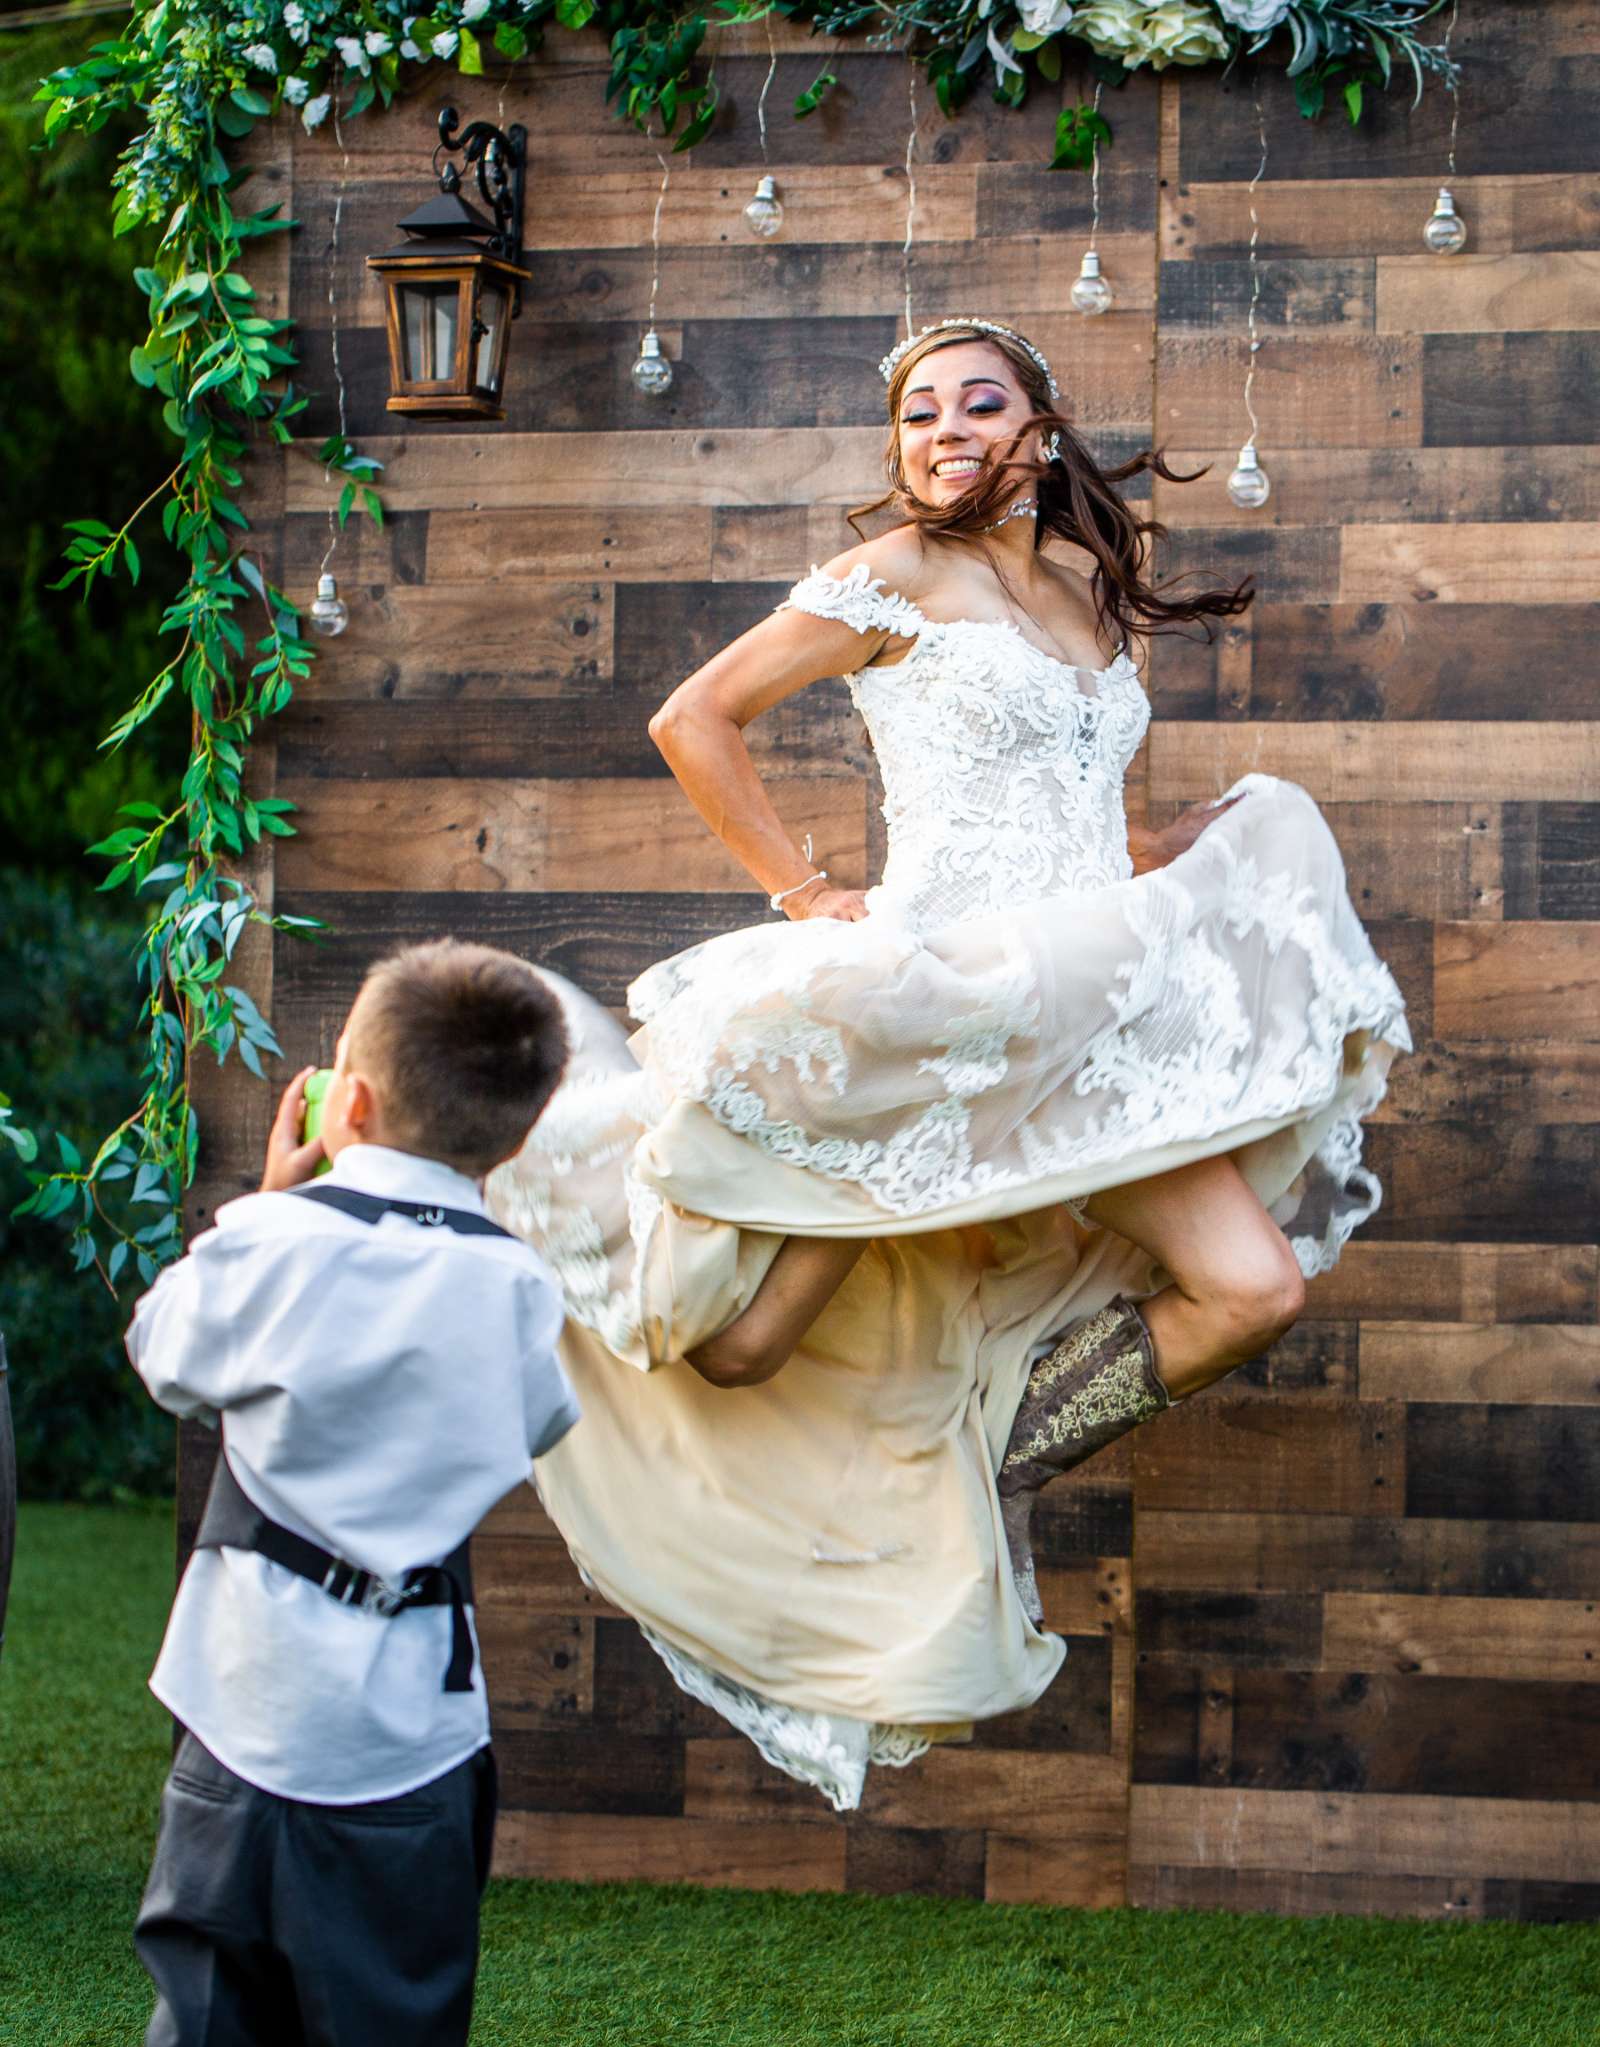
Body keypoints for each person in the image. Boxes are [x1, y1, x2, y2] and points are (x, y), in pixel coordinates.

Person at [488, 316, 1410, 1812]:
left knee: (1253, 1288)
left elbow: (1081, 815)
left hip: (1075, 1022)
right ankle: (552, 1236)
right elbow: (694, 717)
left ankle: (977, 1463)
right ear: (900, 451)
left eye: (980, 403)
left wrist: (1187, 848)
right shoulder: (893, 579)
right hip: (933, 1014)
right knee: (741, 1350)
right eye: (919, 414)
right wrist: (802, 890)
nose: (945, 429)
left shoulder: (1087, 601)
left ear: (1041, 431)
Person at [7, 940, 577, 2047]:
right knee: (405, 2016)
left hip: (254, 1694)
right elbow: (538, 1425)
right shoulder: (520, 1291)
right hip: (419, 1723)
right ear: (517, 1134)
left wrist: (272, 1196)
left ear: (352, 1102)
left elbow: (165, 1356)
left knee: (208, 1996)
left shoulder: (279, 1241)